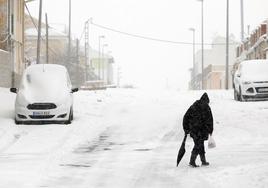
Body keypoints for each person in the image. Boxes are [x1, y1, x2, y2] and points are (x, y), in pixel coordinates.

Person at [183, 92, 213, 167]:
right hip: (198, 130)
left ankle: (203, 161)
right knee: (198, 145)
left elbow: (186, 117)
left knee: (200, 144)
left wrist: (186, 128)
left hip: (197, 130)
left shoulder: (195, 106)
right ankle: (192, 161)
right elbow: (210, 120)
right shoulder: (204, 107)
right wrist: (210, 130)